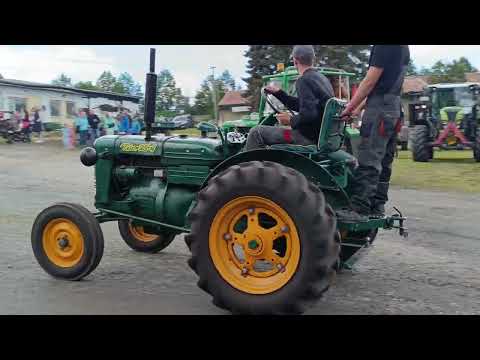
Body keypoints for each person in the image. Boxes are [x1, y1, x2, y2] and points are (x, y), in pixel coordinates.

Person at [336, 45, 410, 222]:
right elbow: (383, 83)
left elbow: (370, 81)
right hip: (394, 106)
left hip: (380, 107)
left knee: (369, 157)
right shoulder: (404, 47)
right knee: (385, 159)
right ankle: (377, 205)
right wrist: (358, 108)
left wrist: (349, 107)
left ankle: (359, 209)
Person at [245, 45, 334, 150]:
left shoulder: (304, 80)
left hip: (306, 138)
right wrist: (279, 94)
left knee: (256, 132)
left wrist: (290, 120)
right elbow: (306, 105)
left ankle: (253, 165)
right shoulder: (322, 78)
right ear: (312, 59)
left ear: (295, 61)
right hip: (319, 136)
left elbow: (310, 115)